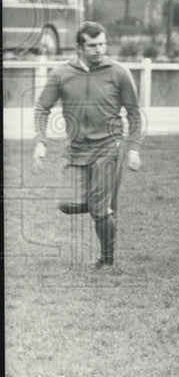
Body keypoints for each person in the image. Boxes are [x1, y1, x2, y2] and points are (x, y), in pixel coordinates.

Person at [33, 21, 143, 267]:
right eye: (93, 45)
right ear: (79, 47)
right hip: (76, 150)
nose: (99, 49)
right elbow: (42, 108)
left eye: (102, 44)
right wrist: (41, 142)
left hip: (109, 148)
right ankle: (103, 208)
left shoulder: (119, 73)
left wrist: (133, 148)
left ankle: (106, 258)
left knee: (99, 209)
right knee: (66, 203)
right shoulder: (61, 74)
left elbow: (134, 114)